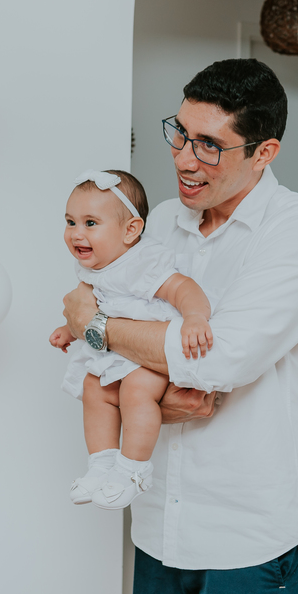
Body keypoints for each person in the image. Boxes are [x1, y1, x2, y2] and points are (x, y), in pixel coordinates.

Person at [61, 59, 298, 594]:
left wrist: (99, 328)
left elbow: (220, 360)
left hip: (250, 530)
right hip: (160, 523)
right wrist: (153, 386)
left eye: (209, 145)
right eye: (181, 134)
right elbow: (97, 312)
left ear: (264, 153)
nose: (184, 159)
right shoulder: (159, 221)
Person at [48, 169, 214, 510]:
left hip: (147, 354)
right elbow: (93, 307)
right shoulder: (97, 265)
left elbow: (182, 288)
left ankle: (133, 470)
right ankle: (101, 464)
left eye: (90, 223)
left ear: (131, 230)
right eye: (70, 222)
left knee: (135, 391)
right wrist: (70, 328)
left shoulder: (143, 261)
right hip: (115, 352)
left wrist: (195, 317)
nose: (76, 233)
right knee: (94, 387)